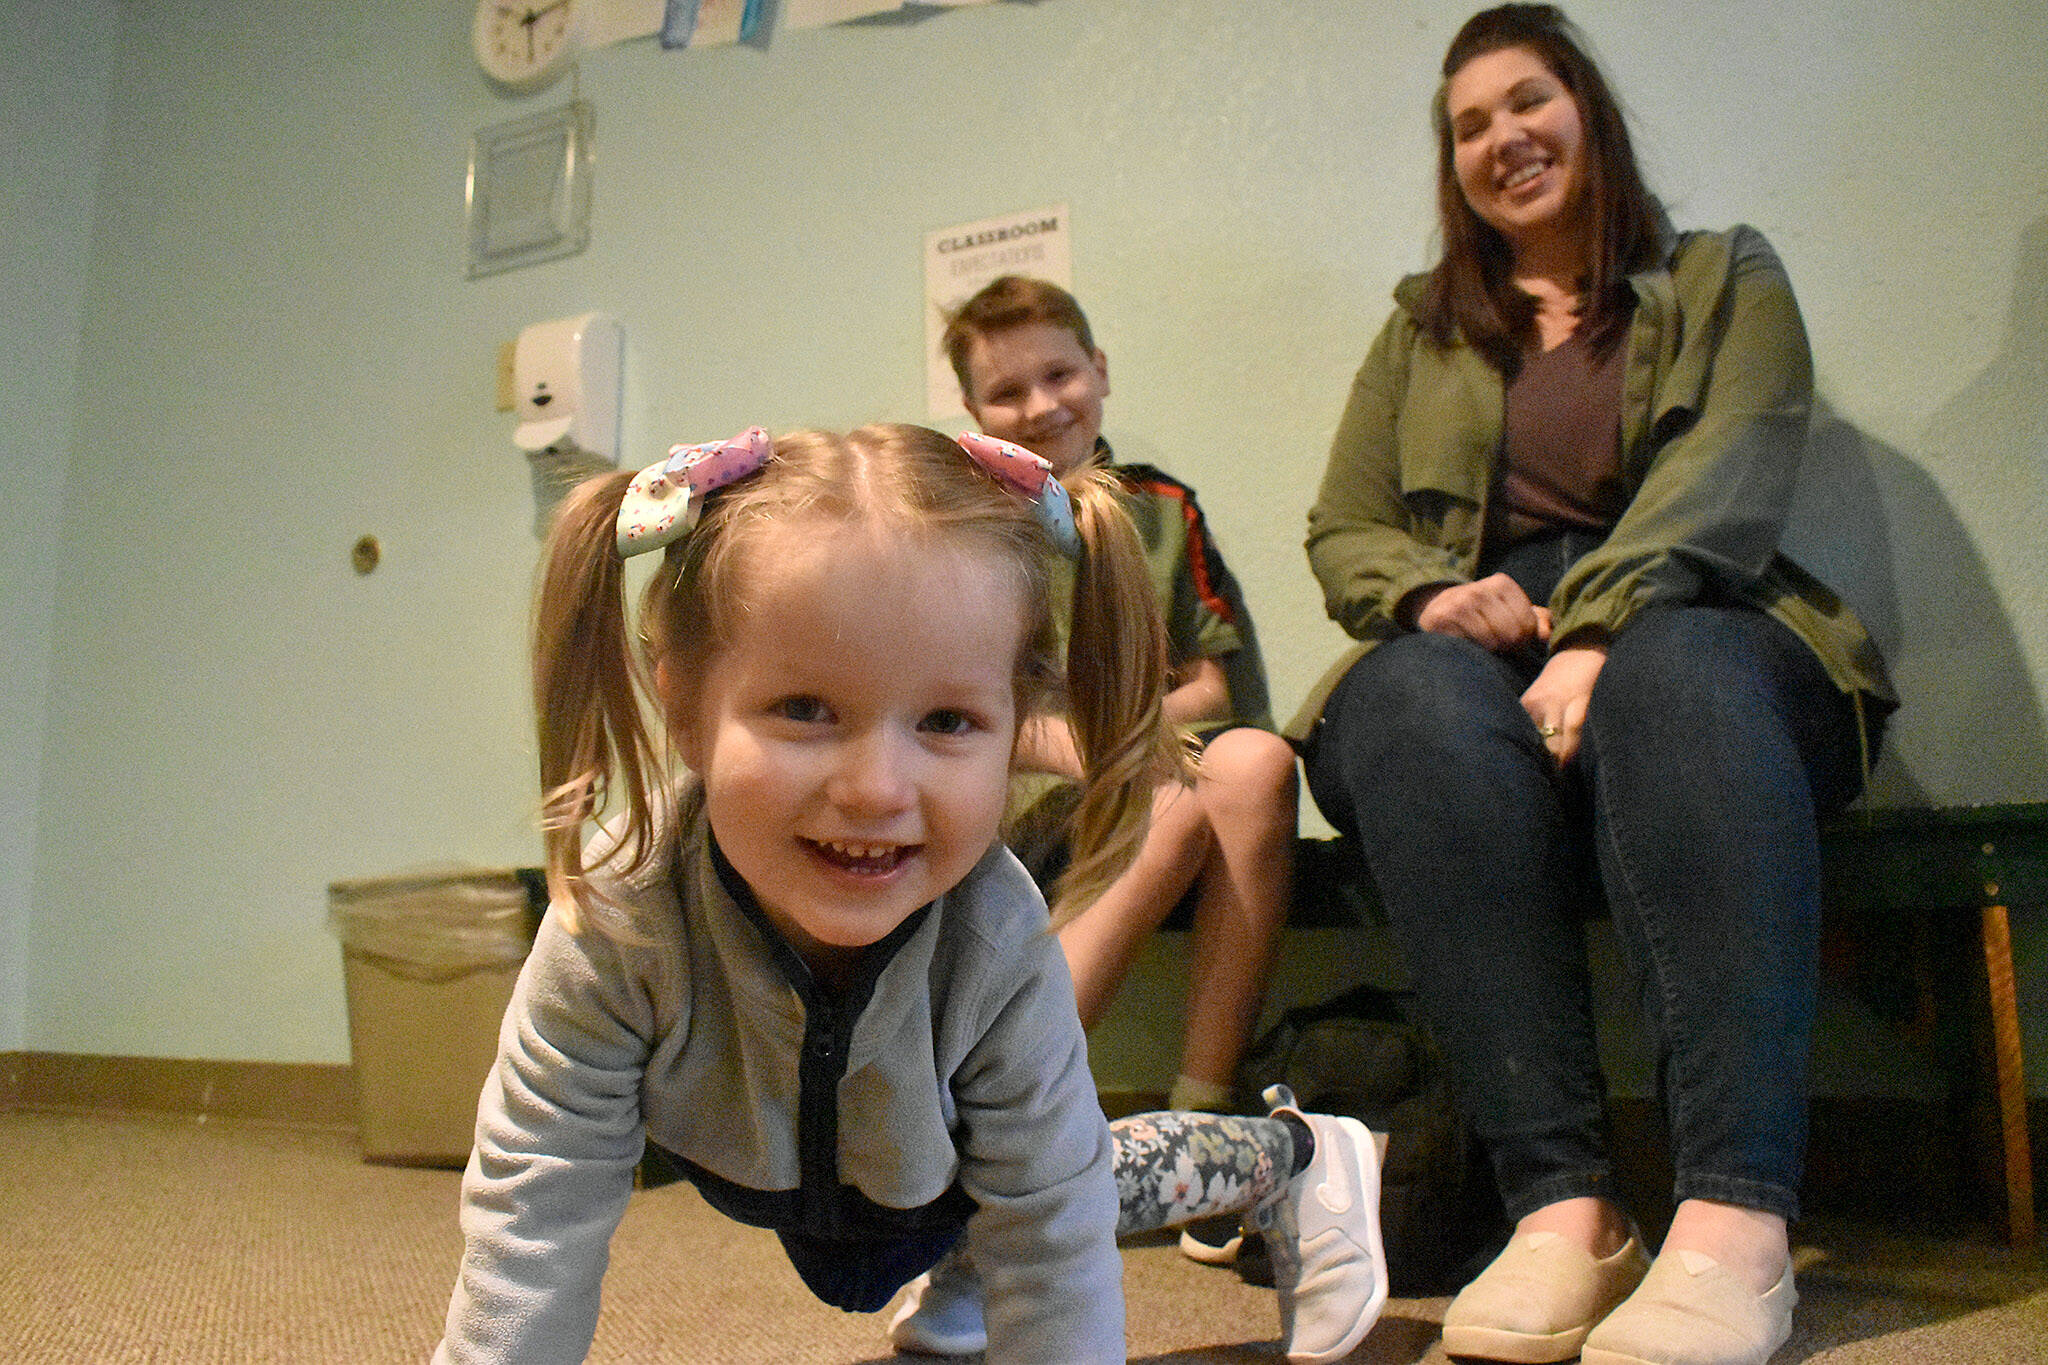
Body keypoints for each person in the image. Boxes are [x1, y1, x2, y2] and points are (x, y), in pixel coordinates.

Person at [433, 423, 1387, 1365]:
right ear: (681, 704)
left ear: (1019, 723)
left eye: (946, 720)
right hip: (811, 1175)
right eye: (804, 710)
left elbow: (1053, 1231)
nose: (878, 790)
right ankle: (971, 1264)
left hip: (951, 1185)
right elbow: (538, 1198)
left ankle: (1296, 1155)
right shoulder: (620, 920)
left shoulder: (998, 938)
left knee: (1078, 1177)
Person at [1291, 8, 1895, 1365]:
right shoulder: (1420, 331)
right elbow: (1344, 525)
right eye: (1469, 126)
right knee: (1401, 702)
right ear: (1452, 167)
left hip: (1710, 621)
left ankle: (1736, 1218)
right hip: (1487, 652)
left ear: (1586, 110)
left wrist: (1601, 628)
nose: (1503, 138)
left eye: (1528, 101)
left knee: (1671, 673)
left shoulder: (1723, 274)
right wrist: (1433, 597)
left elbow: (1729, 473)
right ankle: (1563, 1211)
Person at [941, 276, 1302, 1126]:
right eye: (1006, 391)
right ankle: (1004, 1111)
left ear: (1098, 370)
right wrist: (1089, 745)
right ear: (972, 410)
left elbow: (1211, 687)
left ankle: (1203, 1119)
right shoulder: (963, 528)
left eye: (1059, 375)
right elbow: (946, 709)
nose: (1040, 406)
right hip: (1015, 800)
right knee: (1172, 793)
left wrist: (1111, 737)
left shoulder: (1162, 511)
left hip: (1129, 768)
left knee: (1257, 760)